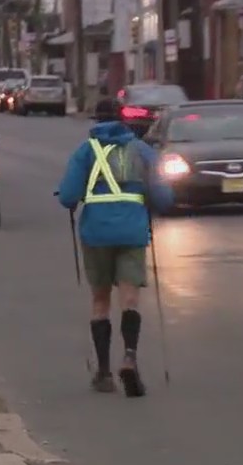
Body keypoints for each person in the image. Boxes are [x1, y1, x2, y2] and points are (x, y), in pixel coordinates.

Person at [56, 97, 174, 398]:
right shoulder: (141, 150)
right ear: (122, 120)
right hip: (132, 232)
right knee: (130, 296)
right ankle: (130, 357)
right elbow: (164, 196)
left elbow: (68, 196)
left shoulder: (86, 151)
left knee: (100, 300)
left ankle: (104, 372)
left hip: (96, 233)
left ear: (96, 120)